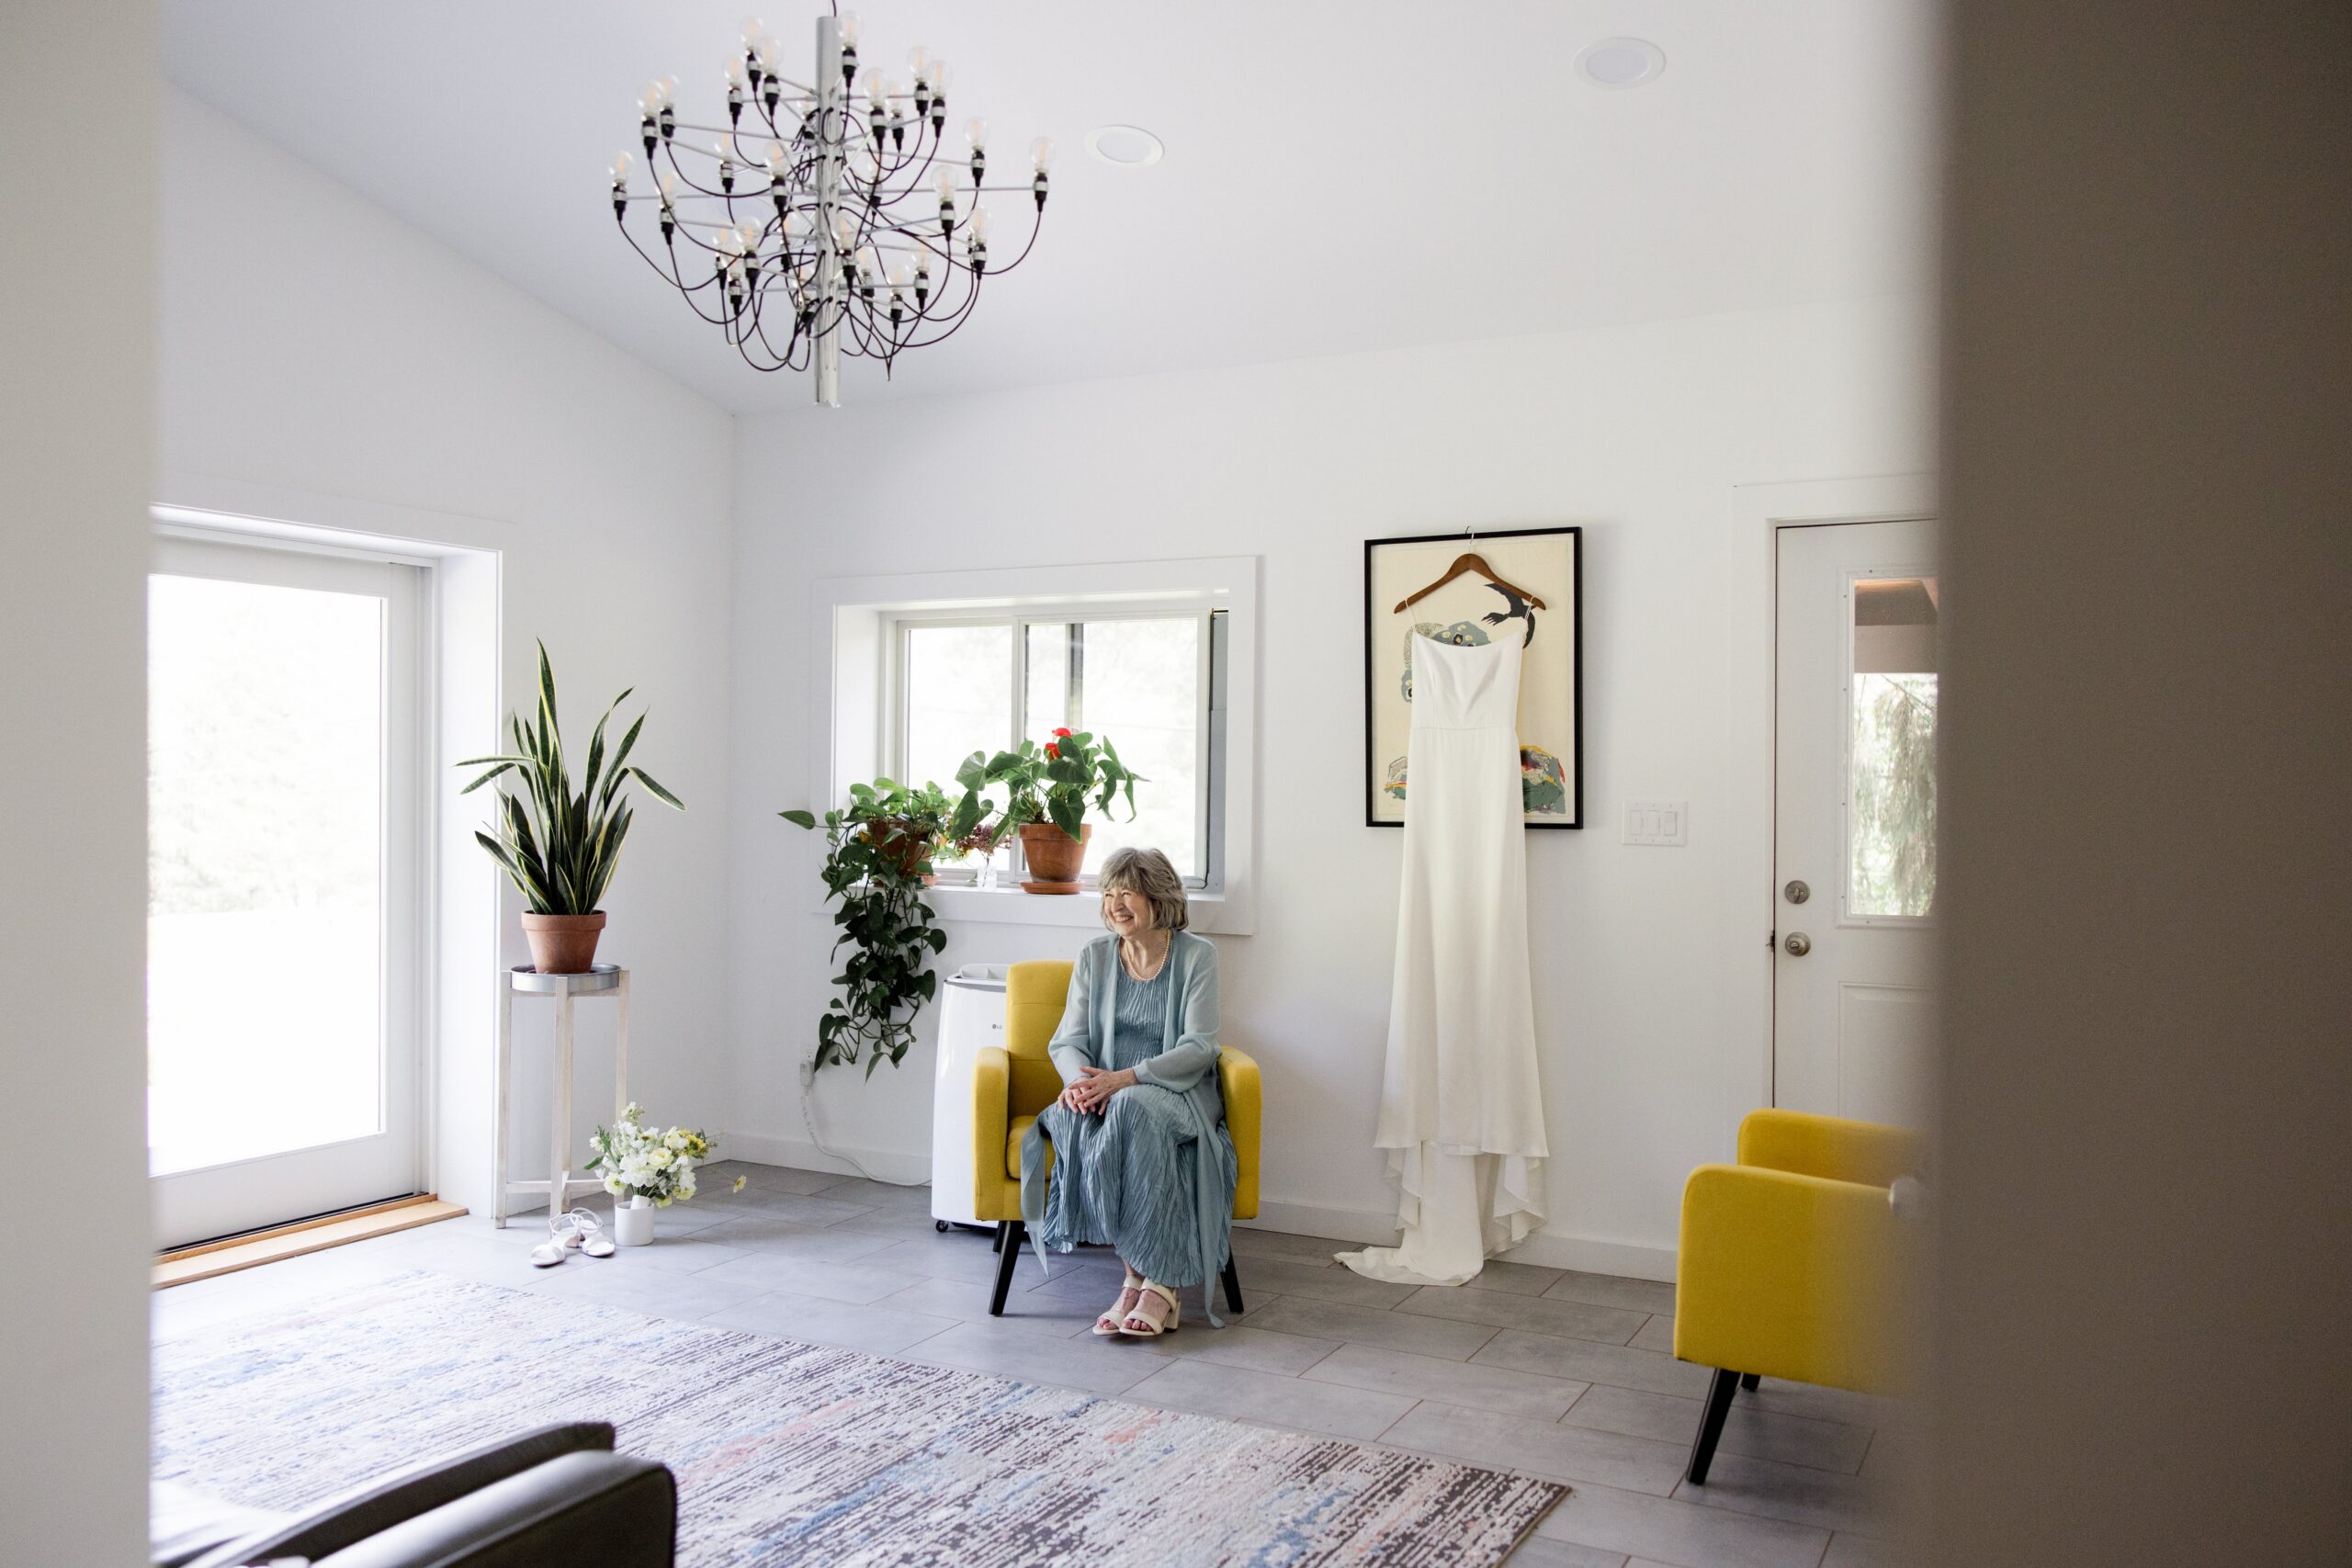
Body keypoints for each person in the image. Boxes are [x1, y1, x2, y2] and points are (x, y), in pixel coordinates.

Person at [1019, 846, 1238, 1335]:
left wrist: (1125, 1078)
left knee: (1132, 1108)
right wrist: (1080, 1083)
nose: (1116, 904)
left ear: (1158, 898)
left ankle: (1156, 1282)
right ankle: (1141, 1282)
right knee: (1076, 1114)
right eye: (1109, 893)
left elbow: (1200, 1046)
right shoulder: (1095, 956)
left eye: (1128, 892)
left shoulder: (1197, 956)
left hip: (1174, 1093)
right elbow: (1067, 1041)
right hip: (1106, 1090)